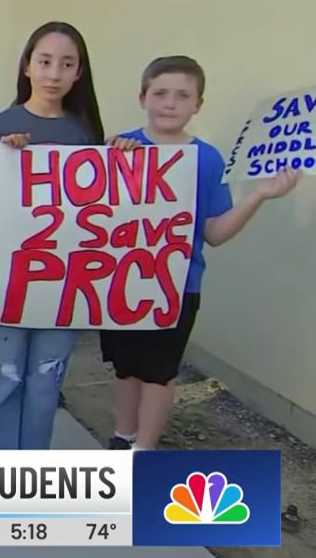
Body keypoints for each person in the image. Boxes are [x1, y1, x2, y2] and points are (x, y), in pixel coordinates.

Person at [101, 56, 301, 451]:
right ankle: (122, 438)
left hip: (177, 286)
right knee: (125, 367)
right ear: (143, 98)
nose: (170, 103)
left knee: (158, 373)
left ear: (198, 105)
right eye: (160, 93)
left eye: (182, 95)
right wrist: (109, 157)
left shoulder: (207, 159)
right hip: (119, 282)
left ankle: (145, 450)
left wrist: (258, 195)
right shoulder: (119, 147)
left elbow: (215, 232)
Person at [0, 21, 106, 450]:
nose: (54, 73)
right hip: (7, 284)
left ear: (79, 73)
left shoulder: (86, 136)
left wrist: (126, 159)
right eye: (45, 61)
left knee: (46, 382)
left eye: (66, 64)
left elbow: (103, 209)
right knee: (6, 378)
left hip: (63, 286)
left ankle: (33, 473)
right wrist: (1, 158)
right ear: (27, 66)